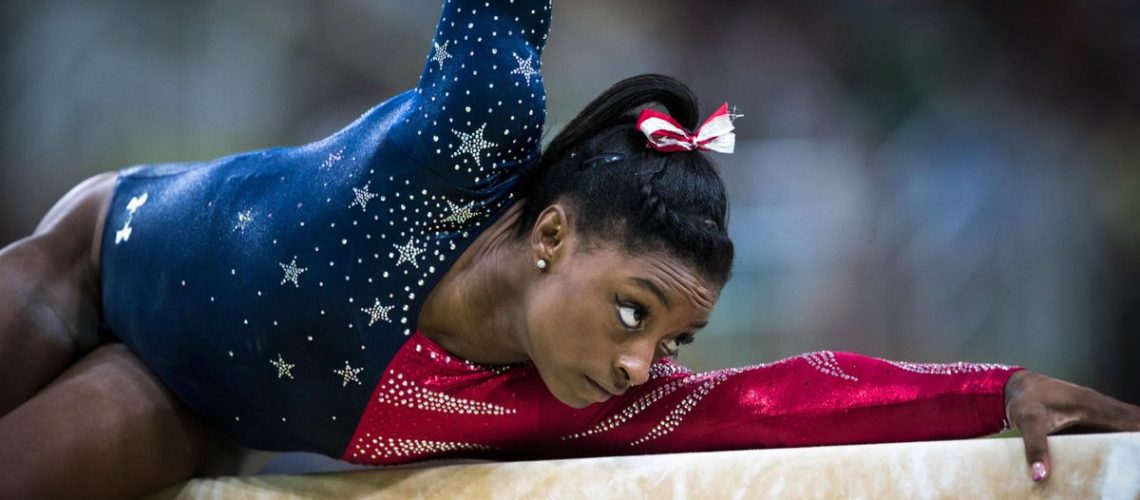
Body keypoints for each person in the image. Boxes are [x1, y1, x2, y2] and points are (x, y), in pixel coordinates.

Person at [1, 0, 1137, 498]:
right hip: (93, 260)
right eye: (636, 310)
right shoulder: (470, 140)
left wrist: (997, 392)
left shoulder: (593, 399)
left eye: (674, 339)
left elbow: (792, 398)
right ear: (552, 233)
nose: (642, 364)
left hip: (188, 398)